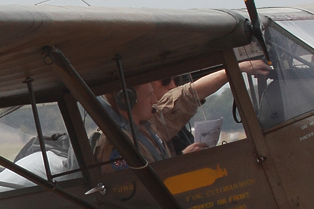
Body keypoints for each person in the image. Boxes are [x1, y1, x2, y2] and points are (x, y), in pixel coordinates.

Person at [94, 60, 271, 166]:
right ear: (128, 99)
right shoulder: (115, 144)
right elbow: (138, 192)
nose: (155, 101)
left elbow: (187, 96)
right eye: (149, 96)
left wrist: (233, 70)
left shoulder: (147, 125)